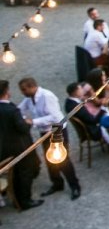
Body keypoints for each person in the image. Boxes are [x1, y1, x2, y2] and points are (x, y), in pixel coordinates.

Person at [18, 77, 81, 200]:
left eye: (24, 89)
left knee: (63, 160)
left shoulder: (47, 96)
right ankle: (57, 183)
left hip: (57, 131)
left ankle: (75, 186)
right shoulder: (28, 98)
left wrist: (33, 121)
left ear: (32, 86)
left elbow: (55, 117)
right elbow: (19, 109)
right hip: (44, 131)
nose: (22, 92)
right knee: (49, 160)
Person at [0, 79, 42, 210]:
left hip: (4, 147)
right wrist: (27, 122)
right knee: (24, 174)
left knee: (15, 174)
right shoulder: (11, 110)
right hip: (20, 147)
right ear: (6, 92)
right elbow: (23, 128)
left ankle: (17, 198)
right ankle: (25, 201)